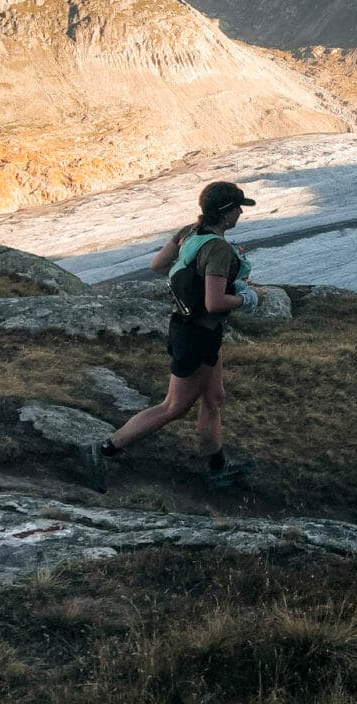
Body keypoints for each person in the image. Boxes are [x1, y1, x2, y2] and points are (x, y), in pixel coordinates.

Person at [81, 181, 260, 492]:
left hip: (192, 329)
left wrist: (193, 284)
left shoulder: (190, 232)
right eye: (237, 208)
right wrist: (247, 299)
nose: (241, 212)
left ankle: (218, 467)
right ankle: (103, 449)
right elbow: (215, 303)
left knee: (214, 398)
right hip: (198, 336)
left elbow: (158, 264)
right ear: (225, 213)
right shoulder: (217, 248)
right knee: (173, 407)